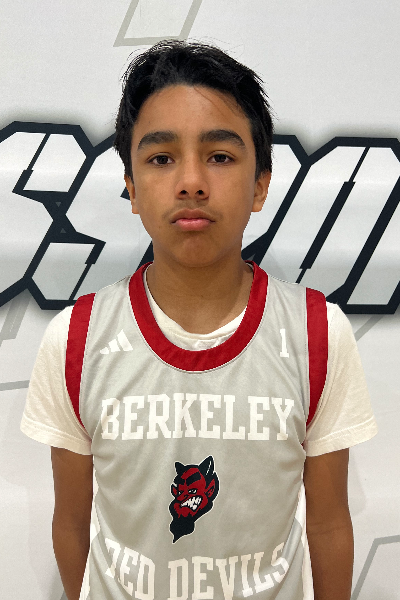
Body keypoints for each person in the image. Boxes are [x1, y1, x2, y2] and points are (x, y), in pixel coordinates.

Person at [21, 40, 377, 600]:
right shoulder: (77, 338)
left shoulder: (317, 332)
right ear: (131, 186)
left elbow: (330, 524)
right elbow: (71, 523)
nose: (191, 181)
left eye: (220, 156)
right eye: (161, 158)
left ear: (260, 184)